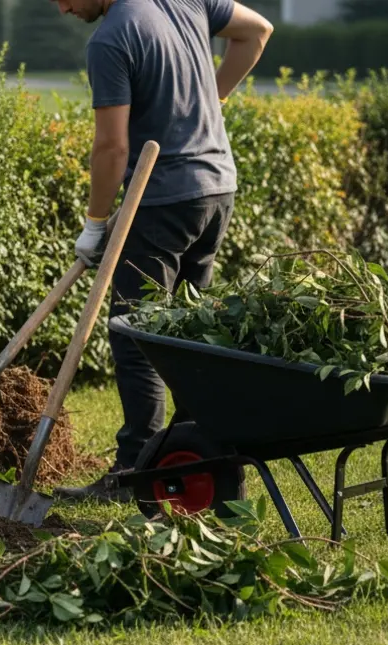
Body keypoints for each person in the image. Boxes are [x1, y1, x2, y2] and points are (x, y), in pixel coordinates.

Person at [48, 0, 274, 503]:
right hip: (216, 189)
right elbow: (257, 31)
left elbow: (112, 149)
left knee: (137, 338)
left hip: (163, 198)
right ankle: (195, 454)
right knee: (187, 337)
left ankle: (135, 472)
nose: (60, 8)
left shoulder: (111, 40)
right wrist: (207, 106)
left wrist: (94, 223)